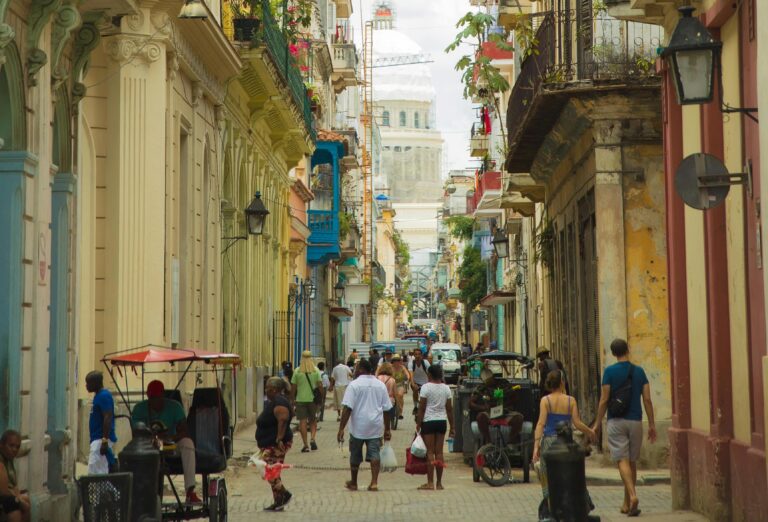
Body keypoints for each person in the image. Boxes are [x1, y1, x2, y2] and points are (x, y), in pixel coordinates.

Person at [593, 339, 656, 517]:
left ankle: (633, 496)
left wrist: (597, 422)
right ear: (628, 349)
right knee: (632, 461)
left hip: (616, 421)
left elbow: (604, 400)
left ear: (613, 353)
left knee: (622, 461)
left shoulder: (609, 372)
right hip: (635, 421)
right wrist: (652, 424)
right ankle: (627, 504)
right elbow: (647, 400)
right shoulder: (639, 371)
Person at [533, 370, 595, 519]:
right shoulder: (570, 400)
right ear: (562, 382)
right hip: (566, 442)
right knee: (571, 474)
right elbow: (577, 423)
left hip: (549, 442)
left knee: (548, 476)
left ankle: (551, 507)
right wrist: (590, 431)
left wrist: (536, 446)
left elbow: (541, 424)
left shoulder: (545, 401)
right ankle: (578, 504)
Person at [132, 380, 201, 504]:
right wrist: (152, 437)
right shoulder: (139, 409)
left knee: (188, 443)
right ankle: (144, 495)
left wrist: (170, 437)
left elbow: (184, 431)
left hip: (171, 444)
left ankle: (190, 491)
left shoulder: (175, 407)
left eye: (158, 398)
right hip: (149, 446)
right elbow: (136, 433)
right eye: (152, 399)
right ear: (148, 397)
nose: (155, 402)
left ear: (163, 395)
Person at [337, 358, 392, 492]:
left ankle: (354, 482)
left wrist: (341, 428)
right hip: (375, 426)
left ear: (361, 369)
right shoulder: (380, 385)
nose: (354, 370)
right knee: (375, 454)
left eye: (356, 368)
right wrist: (387, 429)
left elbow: (347, 408)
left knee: (355, 455)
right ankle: (374, 482)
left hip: (358, 427)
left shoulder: (354, 385)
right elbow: (387, 409)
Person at [256, 377, 294, 512]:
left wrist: (279, 439)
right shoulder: (276, 401)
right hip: (271, 443)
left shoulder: (279, 401)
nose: (266, 391)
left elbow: (282, 419)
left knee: (268, 469)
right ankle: (278, 501)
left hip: (276, 444)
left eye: (268, 388)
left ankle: (284, 494)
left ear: (274, 390)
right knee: (272, 470)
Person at [415, 365, 454, 491]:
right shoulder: (446, 388)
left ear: (430, 375)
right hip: (442, 422)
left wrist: (418, 423)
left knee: (430, 452)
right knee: (439, 453)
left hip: (429, 421)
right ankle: (439, 483)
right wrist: (452, 426)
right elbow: (449, 409)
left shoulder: (425, 387)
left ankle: (430, 482)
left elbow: (422, 408)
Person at [469, 372, 524, 445]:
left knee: (519, 418)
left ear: (493, 378)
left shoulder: (504, 384)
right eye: (486, 381)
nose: (489, 383)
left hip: (506, 411)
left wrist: (506, 402)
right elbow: (471, 403)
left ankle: (511, 442)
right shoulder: (481, 388)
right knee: (480, 417)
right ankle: (488, 442)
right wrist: (483, 407)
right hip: (489, 412)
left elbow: (515, 398)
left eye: (490, 380)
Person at [291, 351, 323, 452]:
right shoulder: (316, 370)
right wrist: (321, 397)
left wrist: (292, 399)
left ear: (302, 358)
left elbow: (293, 387)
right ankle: (312, 438)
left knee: (302, 422)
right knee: (313, 421)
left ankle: (305, 445)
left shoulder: (297, 371)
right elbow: (320, 386)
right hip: (313, 400)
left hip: (300, 400)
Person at [85, 370, 117, 474]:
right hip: (97, 439)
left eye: (88, 383)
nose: (86, 386)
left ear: (96, 383)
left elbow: (107, 417)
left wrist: (104, 440)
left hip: (100, 440)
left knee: (96, 472)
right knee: (96, 470)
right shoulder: (98, 396)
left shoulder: (104, 396)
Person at [0, 430, 30, 522]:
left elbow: (14, 485)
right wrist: (19, 501)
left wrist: (19, 497)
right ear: (1, 445)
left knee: (26, 500)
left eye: (17, 447)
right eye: (11, 445)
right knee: (15, 505)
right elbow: (4, 492)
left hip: (8, 496)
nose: (14, 449)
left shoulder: (9, 460)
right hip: (3, 496)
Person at [408, 349, 430, 414]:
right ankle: (415, 407)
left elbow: (430, 373)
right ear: (414, 355)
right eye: (416, 354)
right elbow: (411, 375)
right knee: (415, 390)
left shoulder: (425, 362)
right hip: (415, 382)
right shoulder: (411, 363)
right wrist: (413, 384)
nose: (417, 356)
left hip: (425, 382)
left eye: (419, 354)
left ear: (421, 355)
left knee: (424, 396)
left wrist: (430, 383)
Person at [391, 354, 411, 420]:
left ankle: (400, 413)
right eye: (395, 360)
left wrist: (407, 378)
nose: (396, 362)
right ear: (393, 361)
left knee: (400, 395)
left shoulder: (402, 367)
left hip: (400, 384)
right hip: (391, 385)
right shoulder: (390, 368)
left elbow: (407, 374)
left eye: (398, 360)